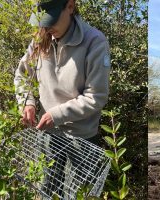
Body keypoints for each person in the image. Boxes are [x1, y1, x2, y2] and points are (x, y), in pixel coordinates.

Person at [14, 0, 111, 198]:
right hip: (48, 132)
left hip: (82, 136)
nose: (47, 27)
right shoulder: (40, 39)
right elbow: (22, 75)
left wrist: (56, 114)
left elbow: (96, 96)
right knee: (48, 187)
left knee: (78, 192)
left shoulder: (95, 41)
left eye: (52, 19)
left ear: (70, 6)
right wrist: (28, 102)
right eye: (43, 21)